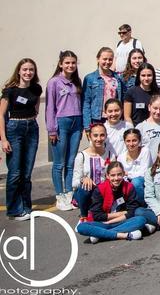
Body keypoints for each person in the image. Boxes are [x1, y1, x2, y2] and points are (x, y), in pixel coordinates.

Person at [44, 52, 82, 213]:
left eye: (73, 63)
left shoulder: (76, 82)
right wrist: (52, 129)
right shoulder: (54, 82)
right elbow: (49, 107)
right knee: (59, 163)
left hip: (76, 122)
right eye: (67, 63)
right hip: (62, 123)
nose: (70, 66)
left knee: (71, 161)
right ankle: (59, 195)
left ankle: (69, 192)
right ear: (60, 64)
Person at [75, 161, 146, 243]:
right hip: (103, 223)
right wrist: (121, 213)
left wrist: (110, 222)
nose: (116, 178)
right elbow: (97, 216)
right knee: (81, 227)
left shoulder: (129, 187)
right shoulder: (100, 189)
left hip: (121, 221)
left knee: (141, 220)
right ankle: (124, 235)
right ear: (107, 176)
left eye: (119, 174)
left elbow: (132, 211)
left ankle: (102, 234)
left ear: (123, 174)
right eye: (112, 175)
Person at [71, 123, 113, 220]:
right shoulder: (81, 156)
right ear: (89, 136)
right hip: (88, 192)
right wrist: (83, 179)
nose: (99, 139)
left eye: (102, 135)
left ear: (106, 136)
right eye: (95, 135)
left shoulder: (110, 155)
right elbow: (74, 183)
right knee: (84, 189)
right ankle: (84, 215)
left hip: (104, 192)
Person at [82, 47, 124, 128]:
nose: (107, 62)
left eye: (110, 59)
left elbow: (121, 99)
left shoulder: (117, 78)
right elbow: (86, 103)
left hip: (114, 117)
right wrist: (87, 125)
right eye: (104, 59)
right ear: (98, 59)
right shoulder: (90, 78)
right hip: (97, 119)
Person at [119, 128, 150, 204]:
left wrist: (128, 174)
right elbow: (121, 175)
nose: (131, 144)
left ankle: (143, 205)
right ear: (124, 141)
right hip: (127, 182)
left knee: (136, 182)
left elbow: (144, 172)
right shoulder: (121, 157)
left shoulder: (145, 151)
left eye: (134, 140)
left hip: (143, 181)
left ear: (139, 141)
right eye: (128, 141)